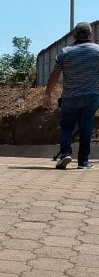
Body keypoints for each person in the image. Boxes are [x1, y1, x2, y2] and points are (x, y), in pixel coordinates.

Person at [44, 22, 99, 170]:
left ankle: (66, 154)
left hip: (70, 97)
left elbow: (55, 74)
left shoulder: (65, 52)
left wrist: (47, 94)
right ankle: (83, 162)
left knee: (66, 126)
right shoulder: (97, 50)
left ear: (74, 36)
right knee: (86, 128)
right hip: (91, 96)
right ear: (90, 34)